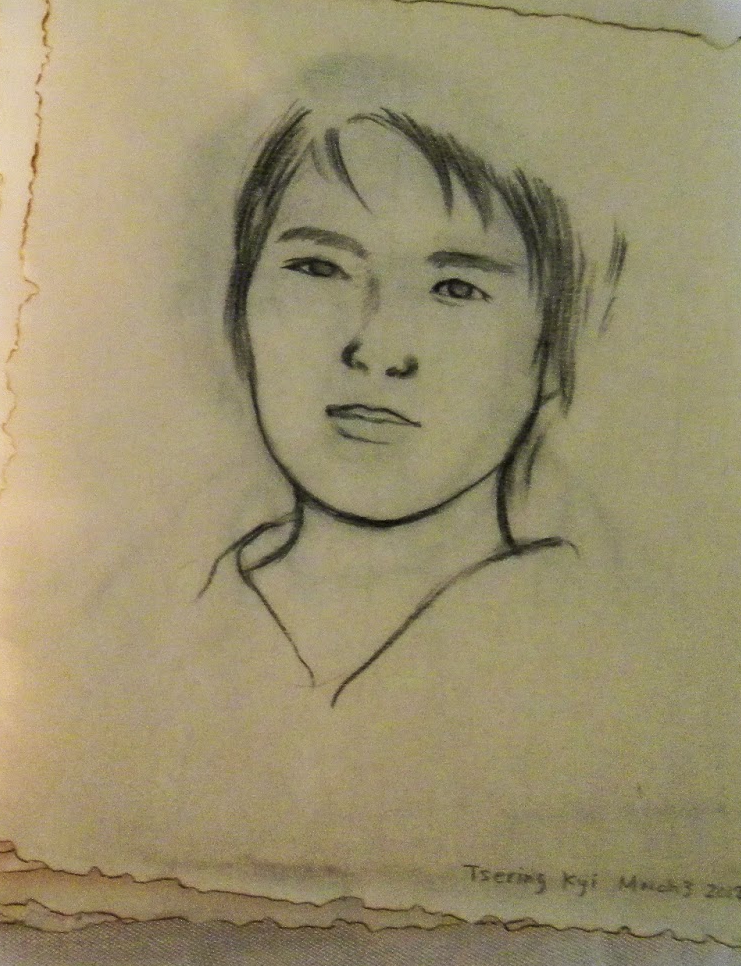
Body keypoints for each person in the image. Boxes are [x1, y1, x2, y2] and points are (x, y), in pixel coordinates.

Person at [203, 104, 608, 705]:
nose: (377, 349)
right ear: (240, 314)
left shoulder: (597, 647)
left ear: (552, 352)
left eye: (456, 289)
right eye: (319, 268)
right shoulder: (154, 621)